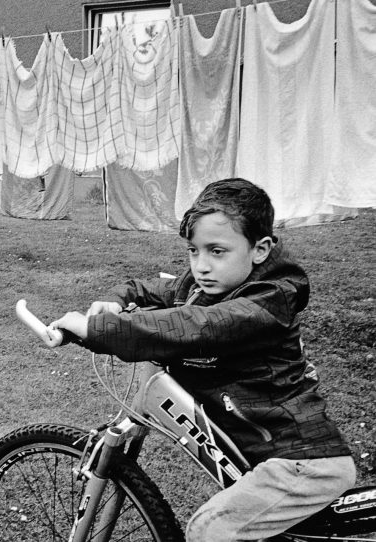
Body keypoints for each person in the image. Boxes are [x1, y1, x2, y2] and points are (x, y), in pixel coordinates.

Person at [50, 178, 356, 542]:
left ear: (260, 249)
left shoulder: (266, 303)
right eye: (193, 251)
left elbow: (196, 326)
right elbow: (159, 290)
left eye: (216, 251)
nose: (201, 266)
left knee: (210, 530)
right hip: (267, 452)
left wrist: (98, 329)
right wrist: (119, 298)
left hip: (303, 459)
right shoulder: (207, 286)